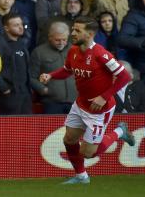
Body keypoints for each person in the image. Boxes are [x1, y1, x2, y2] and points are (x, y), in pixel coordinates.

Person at [39, 16, 135, 184]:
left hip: (99, 109)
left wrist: (103, 96)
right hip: (81, 104)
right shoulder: (73, 51)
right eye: (73, 29)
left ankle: (120, 132)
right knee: (69, 139)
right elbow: (67, 70)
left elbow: (125, 76)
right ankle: (81, 176)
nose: (73, 33)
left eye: (77, 30)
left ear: (90, 34)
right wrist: (51, 75)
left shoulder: (101, 54)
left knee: (89, 153)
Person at [30, 22, 77, 114]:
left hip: (75, 101)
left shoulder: (76, 50)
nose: (61, 43)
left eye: (64, 39)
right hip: (52, 102)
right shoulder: (39, 52)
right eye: (57, 40)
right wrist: (43, 90)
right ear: (50, 37)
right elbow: (31, 77)